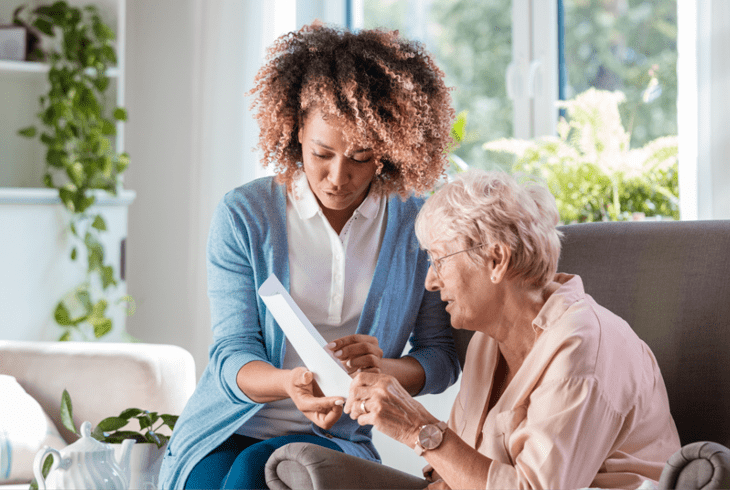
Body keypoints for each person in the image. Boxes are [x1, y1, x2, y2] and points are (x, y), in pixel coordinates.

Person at [158, 23, 461, 490]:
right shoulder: (244, 215)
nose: (338, 176)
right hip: (229, 426)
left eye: (361, 157)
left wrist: (380, 370)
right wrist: (289, 384)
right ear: (297, 129)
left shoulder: (416, 227)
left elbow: (441, 358)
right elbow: (231, 352)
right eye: (322, 153)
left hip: (334, 435)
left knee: (252, 475)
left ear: (388, 149)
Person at [345, 170, 681, 490]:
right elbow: (458, 472)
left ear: (496, 260)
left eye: (440, 260)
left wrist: (416, 428)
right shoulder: (484, 345)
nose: (431, 281)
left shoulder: (584, 348)